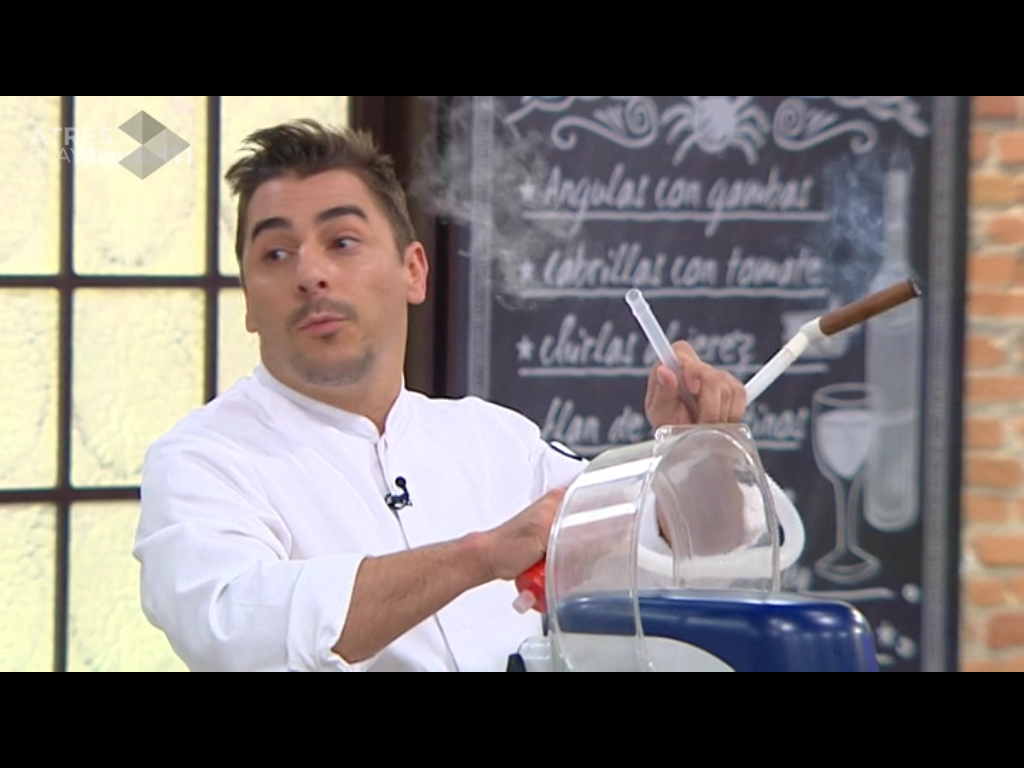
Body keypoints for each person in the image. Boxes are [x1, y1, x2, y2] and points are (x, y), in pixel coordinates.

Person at [135, 120, 802, 673]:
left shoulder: (494, 440)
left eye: (342, 242)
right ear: (248, 302)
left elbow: (693, 565)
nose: (310, 274)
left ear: (413, 271)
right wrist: (479, 556)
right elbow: (236, 629)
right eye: (276, 255)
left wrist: (699, 453)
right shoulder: (204, 459)